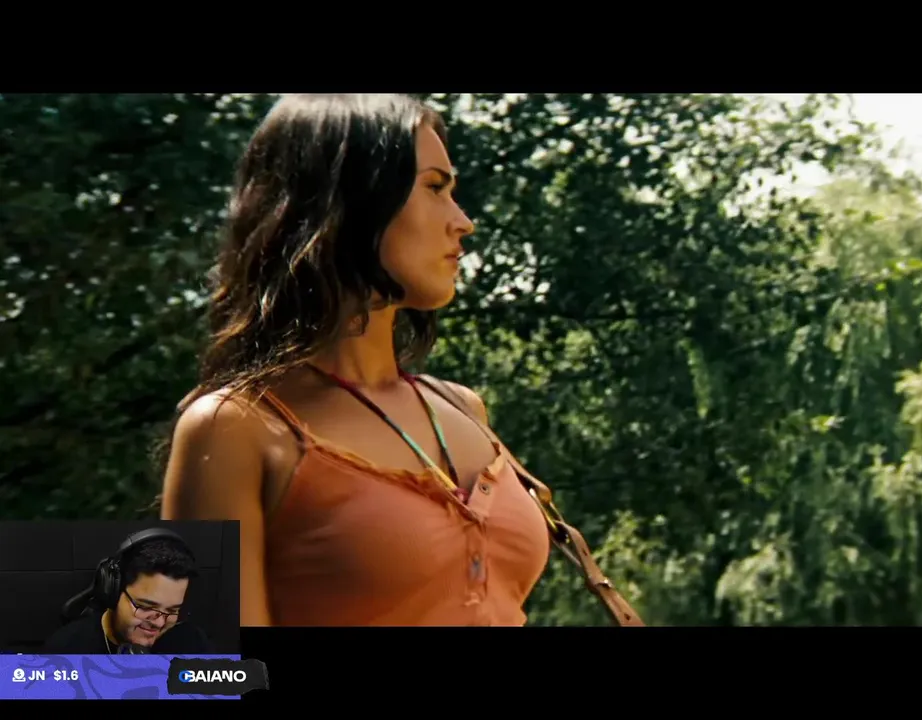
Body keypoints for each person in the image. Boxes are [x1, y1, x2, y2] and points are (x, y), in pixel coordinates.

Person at [158, 94, 641, 627]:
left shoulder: (462, 409)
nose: (463, 222)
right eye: (435, 187)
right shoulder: (236, 429)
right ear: (347, 201)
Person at [44, 528, 213, 654]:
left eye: (172, 610)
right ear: (114, 592)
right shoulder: (66, 649)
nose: (159, 623)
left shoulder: (193, 643)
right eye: (145, 607)